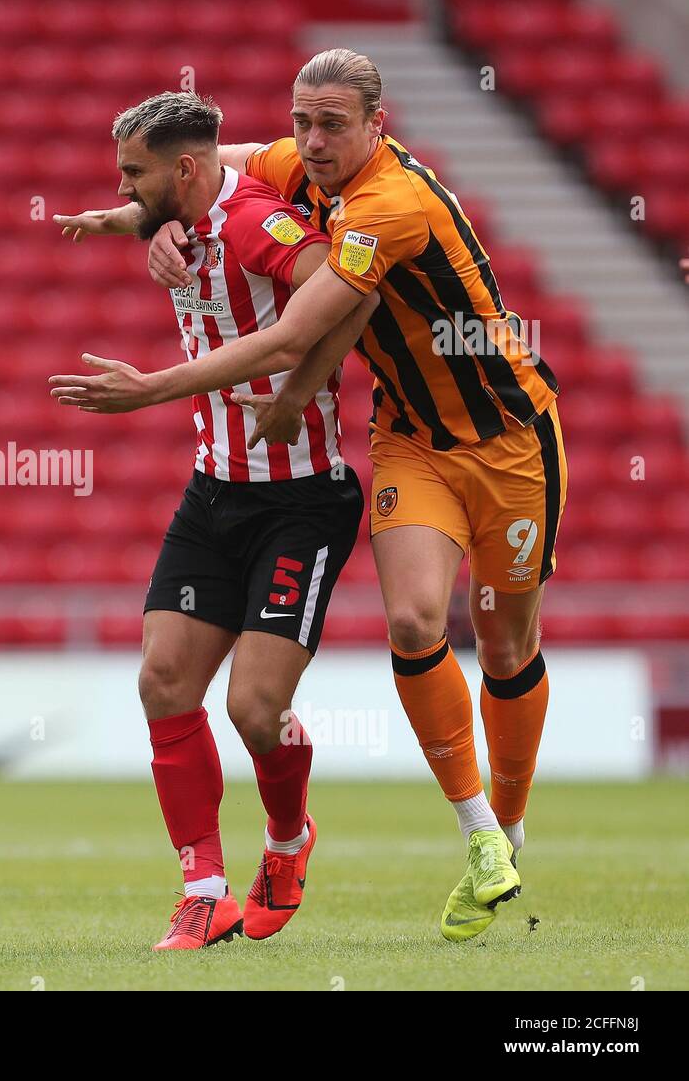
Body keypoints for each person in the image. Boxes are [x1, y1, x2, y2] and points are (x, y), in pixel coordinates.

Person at [52, 49, 566, 942]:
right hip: (409, 435)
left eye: (332, 123)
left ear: (379, 119)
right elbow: (228, 158)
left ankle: (511, 826)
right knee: (411, 625)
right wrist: (139, 218)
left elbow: (299, 328)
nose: (312, 140)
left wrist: (156, 388)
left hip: (510, 434)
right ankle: (472, 836)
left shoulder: (385, 207)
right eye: (303, 121)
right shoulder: (293, 162)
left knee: (508, 642)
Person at [53, 90, 375, 949]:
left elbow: (351, 293)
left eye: (134, 175)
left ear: (186, 171)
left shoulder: (254, 226)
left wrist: (295, 388)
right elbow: (162, 209)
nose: (124, 187)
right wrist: (123, 220)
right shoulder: (181, 215)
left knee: (255, 710)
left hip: (301, 498)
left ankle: (287, 838)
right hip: (215, 489)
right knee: (163, 681)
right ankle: (204, 889)